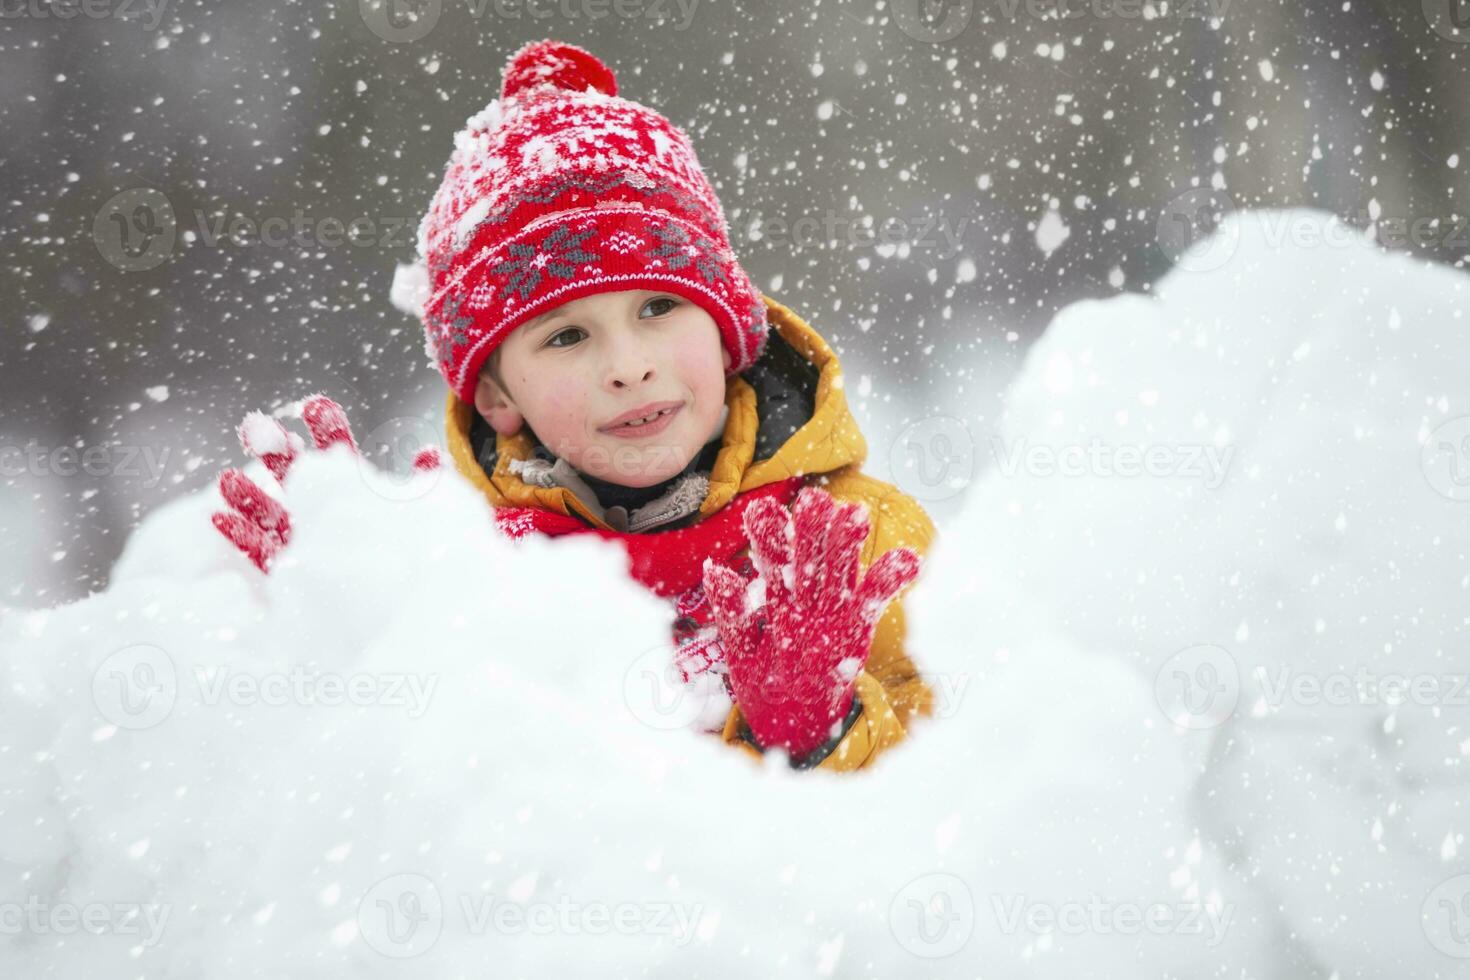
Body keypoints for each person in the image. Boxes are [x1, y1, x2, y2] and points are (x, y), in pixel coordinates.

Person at [213, 40, 938, 773]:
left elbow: (974, 782)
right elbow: (428, 809)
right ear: (496, 397)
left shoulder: (864, 543)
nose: (628, 366)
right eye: (566, 336)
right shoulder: (466, 575)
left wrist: (817, 736)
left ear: (726, 335)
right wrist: (348, 634)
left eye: (658, 305)